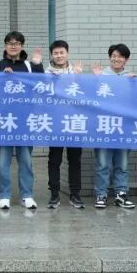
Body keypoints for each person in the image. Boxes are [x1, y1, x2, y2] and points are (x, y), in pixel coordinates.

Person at [0, 31, 44, 210]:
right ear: (5, 45)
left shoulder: (30, 66)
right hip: (3, 120)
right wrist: (2, 78)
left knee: (26, 160)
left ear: (22, 46)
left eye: (17, 43)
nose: (13, 46)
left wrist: (38, 65)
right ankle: (4, 195)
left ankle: (27, 195)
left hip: (25, 120)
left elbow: (42, 85)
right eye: (10, 43)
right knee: (3, 161)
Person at [90, 44, 136, 209]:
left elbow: (136, 101)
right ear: (110, 58)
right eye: (114, 56)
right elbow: (91, 99)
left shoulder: (132, 78)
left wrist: (135, 83)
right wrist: (97, 80)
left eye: (120, 56)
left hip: (123, 128)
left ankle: (121, 194)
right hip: (103, 127)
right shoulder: (100, 76)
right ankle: (101, 195)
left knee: (122, 164)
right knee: (103, 163)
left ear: (126, 60)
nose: (116, 59)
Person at [44, 40, 85, 209]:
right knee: (54, 160)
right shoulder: (46, 73)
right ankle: (54, 194)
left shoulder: (76, 71)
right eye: (56, 53)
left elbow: (84, 96)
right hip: (55, 122)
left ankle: (75, 194)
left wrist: (77, 77)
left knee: (75, 160)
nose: (59, 56)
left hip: (74, 122)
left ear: (67, 53)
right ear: (52, 55)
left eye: (62, 52)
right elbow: (43, 96)